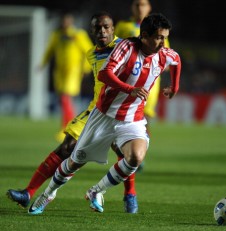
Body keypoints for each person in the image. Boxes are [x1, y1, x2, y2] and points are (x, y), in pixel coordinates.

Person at [27, 12, 181, 215]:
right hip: (104, 116)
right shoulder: (126, 47)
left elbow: (177, 60)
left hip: (132, 119)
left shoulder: (165, 54)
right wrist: (130, 89)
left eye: (165, 37)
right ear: (144, 35)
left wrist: (174, 87)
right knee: (75, 161)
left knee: (135, 157)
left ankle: (96, 191)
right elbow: (104, 73)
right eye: (159, 37)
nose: (163, 42)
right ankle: (48, 194)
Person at [7, 12, 139, 214]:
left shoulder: (127, 48)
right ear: (92, 31)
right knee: (67, 146)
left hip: (121, 111)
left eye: (106, 27)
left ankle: (130, 194)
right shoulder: (91, 53)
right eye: (97, 28)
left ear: (113, 29)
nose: (102, 31)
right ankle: (28, 192)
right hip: (96, 109)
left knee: (126, 155)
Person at [115, 0, 170, 137]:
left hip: (150, 81)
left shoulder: (158, 29)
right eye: (137, 5)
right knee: (126, 120)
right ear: (132, 7)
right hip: (129, 80)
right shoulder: (122, 26)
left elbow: (166, 56)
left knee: (145, 118)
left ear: (149, 7)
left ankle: (137, 153)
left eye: (143, 5)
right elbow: (114, 50)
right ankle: (130, 152)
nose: (140, 8)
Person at [39, 12, 93, 141]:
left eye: (67, 21)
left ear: (71, 22)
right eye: (63, 21)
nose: (65, 23)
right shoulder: (57, 35)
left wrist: (86, 68)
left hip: (73, 71)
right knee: (64, 100)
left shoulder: (78, 35)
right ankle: (71, 128)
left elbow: (89, 51)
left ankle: (66, 129)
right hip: (60, 72)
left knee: (65, 98)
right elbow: (50, 50)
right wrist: (42, 64)